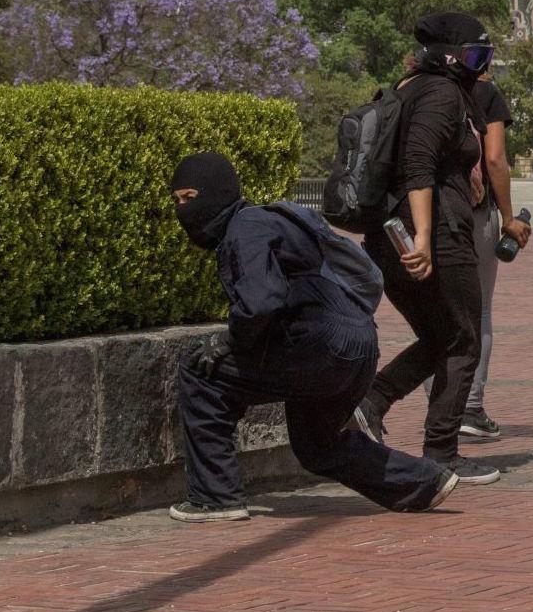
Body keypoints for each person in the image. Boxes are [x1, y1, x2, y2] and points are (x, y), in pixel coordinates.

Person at [168, 152, 456, 521]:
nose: (182, 210)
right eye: (176, 201)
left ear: (217, 191)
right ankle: (425, 482)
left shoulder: (245, 228)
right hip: (360, 343)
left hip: (319, 343)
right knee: (318, 446)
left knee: (200, 374)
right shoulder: (271, 221)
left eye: (189, 198)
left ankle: (215, 496)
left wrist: (228, 343)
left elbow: (260, 303)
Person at [348, 13, 501, 484]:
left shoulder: (407, 87)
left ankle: (372, 403)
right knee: (463, 340)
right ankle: (442, 451)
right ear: (449, 56)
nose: (480, 67)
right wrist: (423, 239)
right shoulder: (439, 93)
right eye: (474, 56)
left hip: (395, 237)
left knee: (440, 337)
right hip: (433, 237)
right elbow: (418, 165)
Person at [461, 71, 530, 440]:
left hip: (420, 214)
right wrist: (508, 217)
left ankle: (440, 404)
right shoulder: (484, 92)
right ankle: (469, 406)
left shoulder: (410, 86)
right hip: (471, 216)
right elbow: (494, 159)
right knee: (480, 309)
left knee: (436, 312)